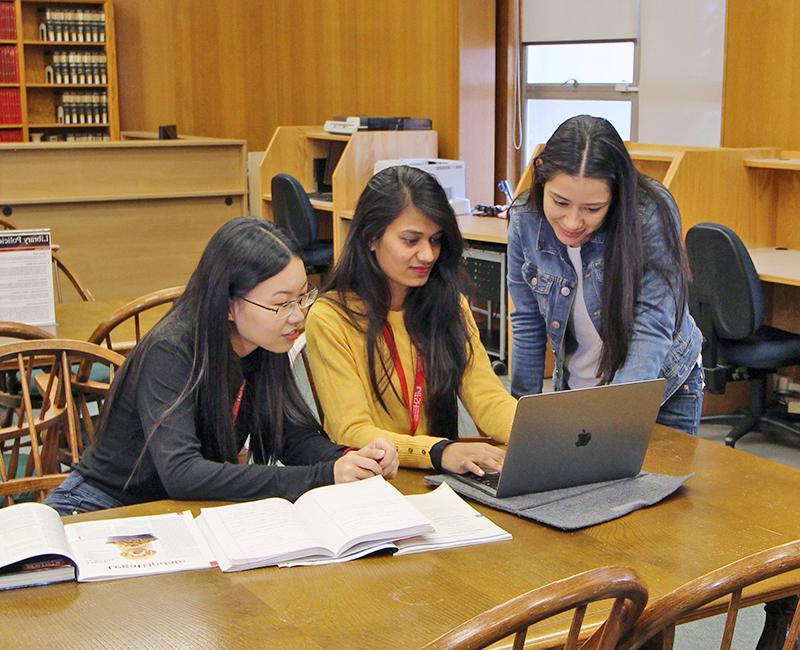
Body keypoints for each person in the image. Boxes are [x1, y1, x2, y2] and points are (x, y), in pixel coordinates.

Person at [45, 217, 398, 516]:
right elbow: (183, 473)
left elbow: (292, 436)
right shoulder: (172, 350)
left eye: (303, 297)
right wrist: (323, 476)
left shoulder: (264, 340)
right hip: (99, 509)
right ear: (229, 305)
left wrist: (353, 460)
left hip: (174, 511)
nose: (298, 316)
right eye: (282, 304)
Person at [304, 165, 517, 477]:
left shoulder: (449, 304)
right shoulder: (331, 316)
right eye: (411, 240)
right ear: (371, 239)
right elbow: (351, 430)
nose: (428, 255)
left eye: (435, 240)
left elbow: (487, 398)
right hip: (375, 479)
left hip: (441, 473)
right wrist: (438, 451)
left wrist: (542, 435)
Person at [507, 115, 703, 434]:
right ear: (540, 173)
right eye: (560, 202)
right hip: (576, 389)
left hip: (660, 388)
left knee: (653, 484)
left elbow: (651, 324)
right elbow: (527, 321)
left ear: (616, 191)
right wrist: (519, 419)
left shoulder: (649, 214)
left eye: (592, 209)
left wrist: (615, 422)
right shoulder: (524, 220)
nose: (572, 222)